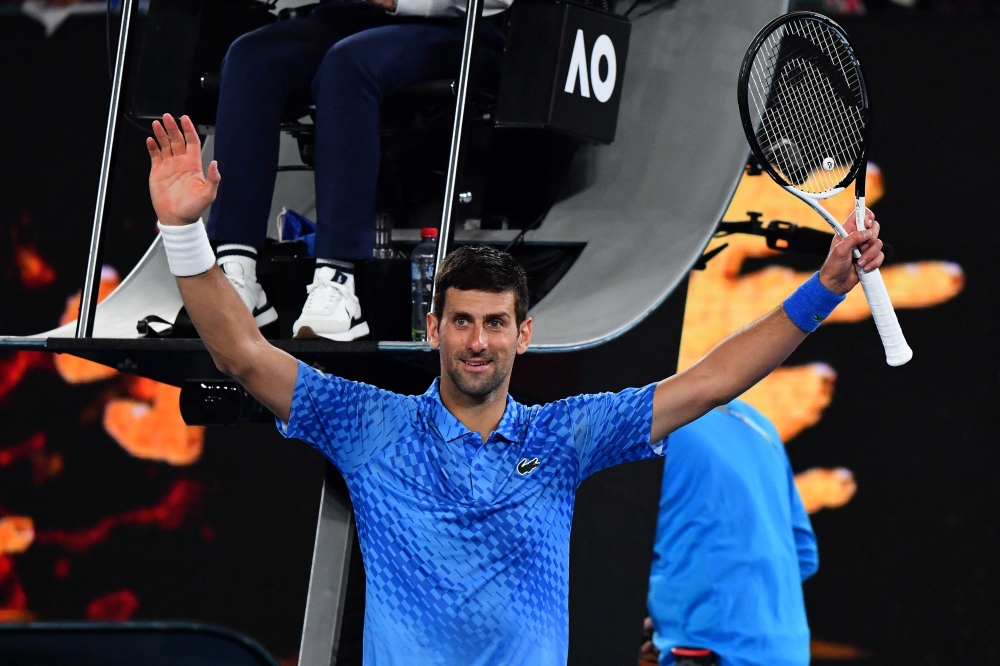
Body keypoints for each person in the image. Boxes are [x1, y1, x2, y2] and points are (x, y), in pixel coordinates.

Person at [144, 113, 885, 666]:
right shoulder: (368, 425)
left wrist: (823, 290)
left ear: (522, 336)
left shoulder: (562, 439)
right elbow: (242, 353)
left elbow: (711, 381)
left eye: (495, 323)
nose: (477, 341)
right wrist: (183, 231)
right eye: (462, 322)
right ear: (433, 328)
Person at [205, 0, 507, 341]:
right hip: (343, 19)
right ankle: (237, 273)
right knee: (250, 57)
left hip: (454, 27)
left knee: (348, 63)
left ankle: (337, 281)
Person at [644, 400, 818, 666]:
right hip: (787, 653)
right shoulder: (759, 424)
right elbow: (804, 556)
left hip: (707, 652)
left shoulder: (643, 415)